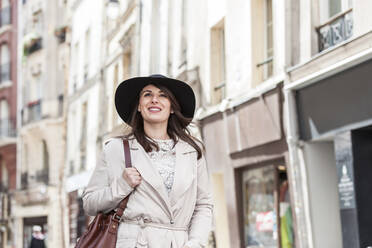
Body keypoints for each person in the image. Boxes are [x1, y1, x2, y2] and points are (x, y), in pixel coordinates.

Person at [83, 74, 213, 248]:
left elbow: (203, 205)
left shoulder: (192, 151)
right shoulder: (116, 149)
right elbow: (90, 203)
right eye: (147, 94)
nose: (154, 100)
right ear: (138, 106)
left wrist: (196, 243)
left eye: (163, 95)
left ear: (172, 107)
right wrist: (121, 186)